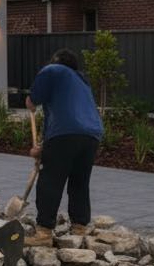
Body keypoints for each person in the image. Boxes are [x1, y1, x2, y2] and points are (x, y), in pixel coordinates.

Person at [25, 48, 103, 246]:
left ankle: (43, 232)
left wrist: (31, 101)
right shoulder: (82, 81)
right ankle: (79, 227)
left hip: (65, 133)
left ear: (57, 61)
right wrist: (43, 148)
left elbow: (35, 97)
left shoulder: (53, 70)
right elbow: (63, 115)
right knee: (79, 182)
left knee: (50, 181)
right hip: (91, 136)